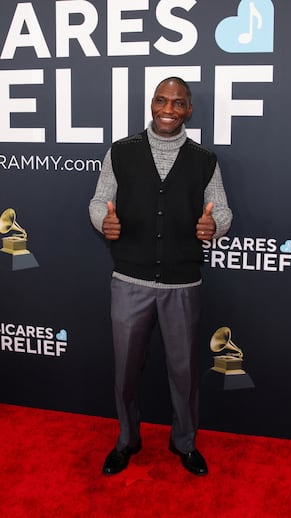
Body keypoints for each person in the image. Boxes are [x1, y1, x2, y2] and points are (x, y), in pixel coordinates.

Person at [89, 77, 232, 476]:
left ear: (189, 110)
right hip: (129, 280)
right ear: (151, 104)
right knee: (125, 371)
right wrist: (104, 220)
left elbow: (220, 210)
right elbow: (100, 199)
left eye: (178, 103)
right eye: (161, 100)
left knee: (185, 373)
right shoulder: (121, 151)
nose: (168, 109)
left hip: (182, 284)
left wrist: (213, 227)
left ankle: (184, 442)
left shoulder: (204, 160)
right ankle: (127, 439)